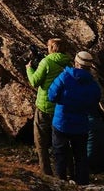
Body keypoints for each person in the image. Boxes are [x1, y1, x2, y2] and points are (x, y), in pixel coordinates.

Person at [46, 49, 102, 185]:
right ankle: (82, 184)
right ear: (89, 67)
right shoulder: (93, 85)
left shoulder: (64, 77)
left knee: (60, 154)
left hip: (61, 122)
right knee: (80, 156)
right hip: (81, 125)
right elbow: (94, 105)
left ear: (76, 63)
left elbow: (51, 96)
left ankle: (61, 182)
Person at [25, 37, 73, 175]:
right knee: (63, 142)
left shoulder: (46, 62)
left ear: (52, 48)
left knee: (41, 141)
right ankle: (69, 172)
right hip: (61, 107)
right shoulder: (68, 63)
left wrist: (29, 69)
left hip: (44, 107)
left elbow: (35, 81)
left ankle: (46, 172)